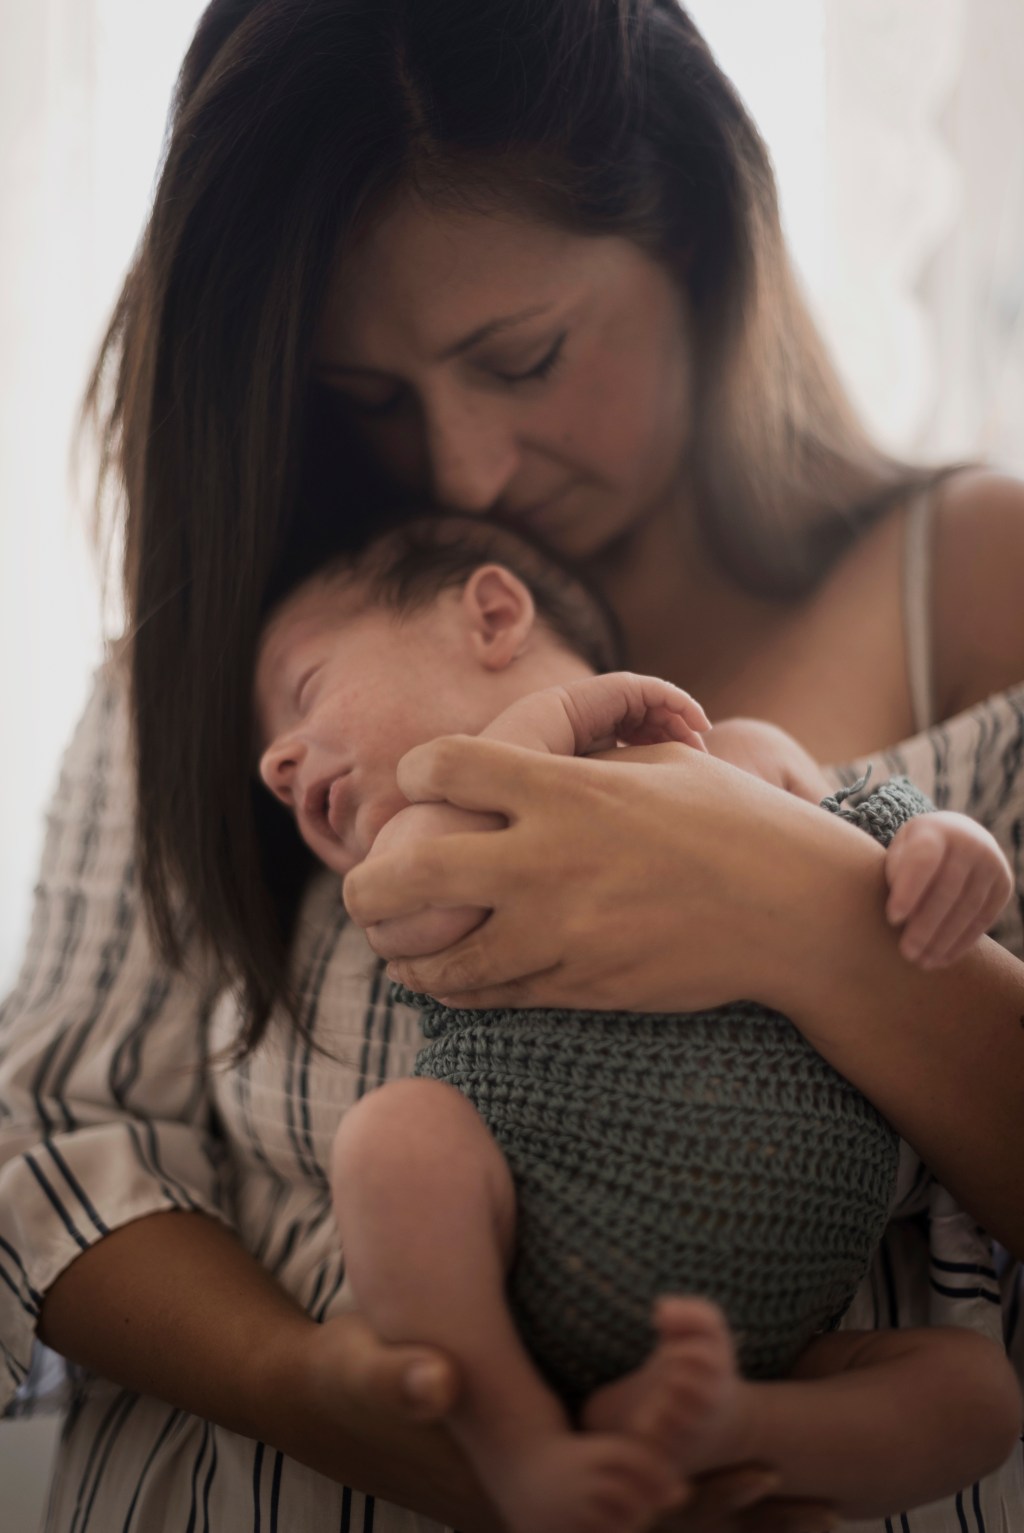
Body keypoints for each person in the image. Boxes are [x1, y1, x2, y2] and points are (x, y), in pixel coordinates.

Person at [1, 2, 1023, 1531]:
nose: (467, 472)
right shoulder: (236, 674)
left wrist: (818, 922)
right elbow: (47, 1138)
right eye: (367, 400)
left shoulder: (978, 583)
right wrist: (346, 1401)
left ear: (697, 239)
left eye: (525, 357)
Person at [251, 513, 1020, 1532]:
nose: (277, 765)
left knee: (977, 1398)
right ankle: (515, 1434)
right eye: (273, 758)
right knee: (393, 1141)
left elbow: (866, 837)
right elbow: (424, 896)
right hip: (528, 1261)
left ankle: (728, 1432)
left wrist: (952, 848)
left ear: (490, 615)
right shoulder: (425, 866)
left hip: (775, 1338)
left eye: (304, 694)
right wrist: (550, 723)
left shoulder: (742, 755)